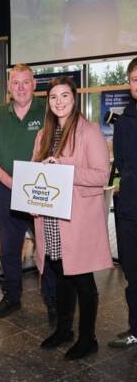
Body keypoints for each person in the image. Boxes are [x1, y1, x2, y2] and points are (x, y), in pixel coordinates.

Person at [32, 76, 113, 360]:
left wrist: (64, 167)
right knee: (61, 274)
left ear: (74, 98)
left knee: (82, 280)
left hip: (76, 220)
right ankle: (64, 330)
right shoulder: (43, 135)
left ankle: (88, 338)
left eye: (64, 95)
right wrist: (31, 200)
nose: (59, 101)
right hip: (51, 219)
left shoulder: (89, 132)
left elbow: (102, 176)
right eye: (53, 97)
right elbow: (35, 174)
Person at [0, 63, 57, 322]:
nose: (21, 87)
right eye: (16, 83)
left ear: (34, 85)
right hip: (7, 190)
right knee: (9, 248)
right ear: (9, 87)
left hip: (41, 193)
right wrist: (10, 181)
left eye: (26, 82)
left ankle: (53, 301)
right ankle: (12, 296)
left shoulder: (48, 111)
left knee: (47, 248)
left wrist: (28, 186)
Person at [109, 57, 137, 348]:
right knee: (133, 275)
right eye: (134, 79)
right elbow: (121, 163)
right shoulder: (124, 121)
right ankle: (135, 327)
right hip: (129, 209)